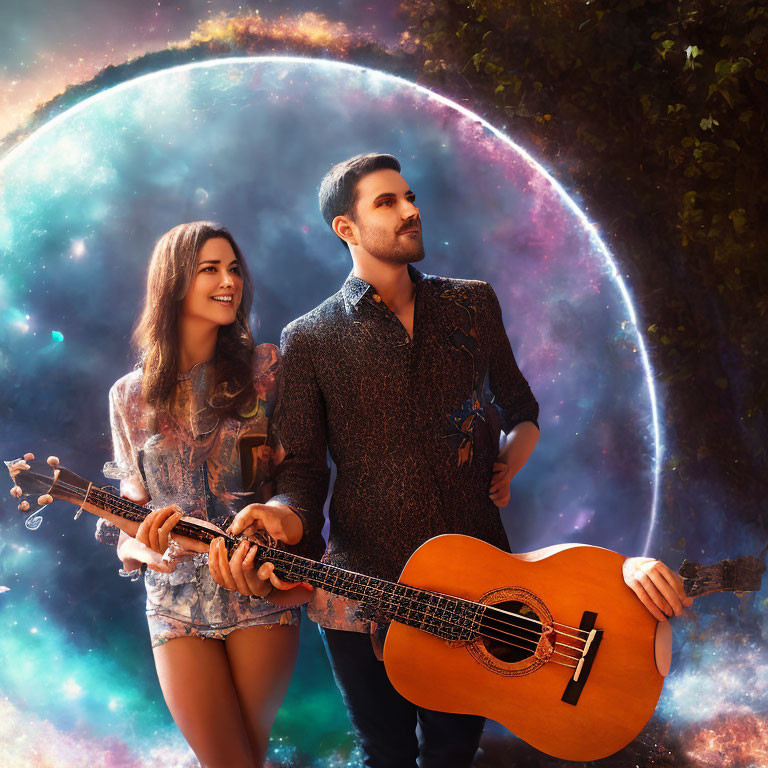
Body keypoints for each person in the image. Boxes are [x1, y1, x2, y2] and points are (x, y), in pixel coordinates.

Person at [205, 154, 693, 768]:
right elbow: (302, 473)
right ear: (345, 229)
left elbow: (522, 409)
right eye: (387, 202)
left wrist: (508, 464)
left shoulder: (472, 305)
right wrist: (279, 513)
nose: (411, 211)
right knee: (384, 753)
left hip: (485, 588)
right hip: (365, 594)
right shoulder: (311, 337)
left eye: (409, 197)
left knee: (455, 752)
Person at [88, 222, 303, 768]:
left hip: (258, 591)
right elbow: (127, 521)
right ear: (174, 282)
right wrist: (145, 548)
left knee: (244, 757)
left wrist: (278, 518)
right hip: (173, 605)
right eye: (210, 268)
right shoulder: (128, 397)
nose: (228, 280)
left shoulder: (267, 370)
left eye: (233, 268)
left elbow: (298, 479)